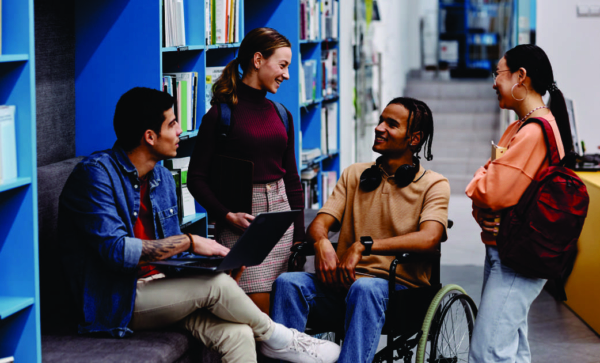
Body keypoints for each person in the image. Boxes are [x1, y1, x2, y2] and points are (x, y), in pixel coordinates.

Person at [58, 87, 340, 363]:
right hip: (116, 299)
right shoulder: (95, 176)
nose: (180, 130)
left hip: (164, 288)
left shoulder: (162, 179)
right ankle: (278, 338)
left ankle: (272, 339)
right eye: (172, 123)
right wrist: (190, 241)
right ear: (150, 136)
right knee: (215, 287)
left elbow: (172, 255)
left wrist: (211, 264)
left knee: (239, 334)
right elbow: (116, 252)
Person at [270, 97, 450, 363]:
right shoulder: (354, 174)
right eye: (380, 120)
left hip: (400, 294)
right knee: (288, 283)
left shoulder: (434, 184)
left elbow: (430, 238)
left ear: (414, 138)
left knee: (365, 289)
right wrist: (321, 245)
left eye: (391, 124)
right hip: (343, 285)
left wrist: (362, 246)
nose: (379, 127)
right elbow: (320, 225)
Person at [465, 44, 573, 363]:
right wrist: (488, 185)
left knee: (488, 351)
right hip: (508, 251)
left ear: (520, 77)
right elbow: (491, 195)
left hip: (517, 259)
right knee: (509, 346)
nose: (494, 82)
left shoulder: (533, 132)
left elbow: (490, 191)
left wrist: (482, 177)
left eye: (498, 73)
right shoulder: (522, 126)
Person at [187, 27, 304, 315]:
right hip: (241, 224)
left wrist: (299, 237)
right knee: (257, 313)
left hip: (281, 217)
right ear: (257, 60)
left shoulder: (281, 114)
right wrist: (226, 216)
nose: (286, 75)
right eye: (282, 65)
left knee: (282, 307)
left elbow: (292, 179)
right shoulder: (219, 115)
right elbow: (196, 179)